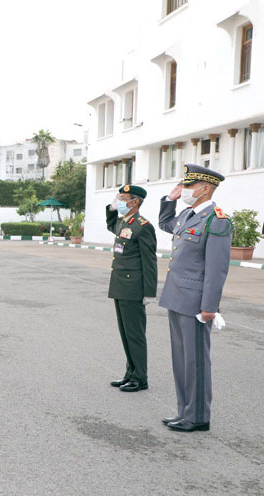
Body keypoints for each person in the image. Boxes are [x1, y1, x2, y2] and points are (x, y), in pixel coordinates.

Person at [158, 164, 232, 432]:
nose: (185, 190)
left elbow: (216, 268)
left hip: (196, 303)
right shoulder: (188, 215)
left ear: (205, 189)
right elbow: (165, 223)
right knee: (181, 360)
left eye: (188, 186)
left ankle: (198, 416)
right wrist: (169, 200)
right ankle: (185, 411)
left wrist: (209, 307)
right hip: (176, 297)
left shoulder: (217, 220)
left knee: (196, 361)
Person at [106, 184, 158, 393]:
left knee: (135, 334)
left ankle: (140, 377)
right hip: (120, 285)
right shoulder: (123, 222)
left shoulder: (143, 226)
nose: (119, 201)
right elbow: (111, 225)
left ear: (135, 202)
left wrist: (149, 292)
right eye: (118, 197)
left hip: (133, 288)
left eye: (122, 198)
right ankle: (130, 373)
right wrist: (111, 209)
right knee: (125, 333)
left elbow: (149, 262)